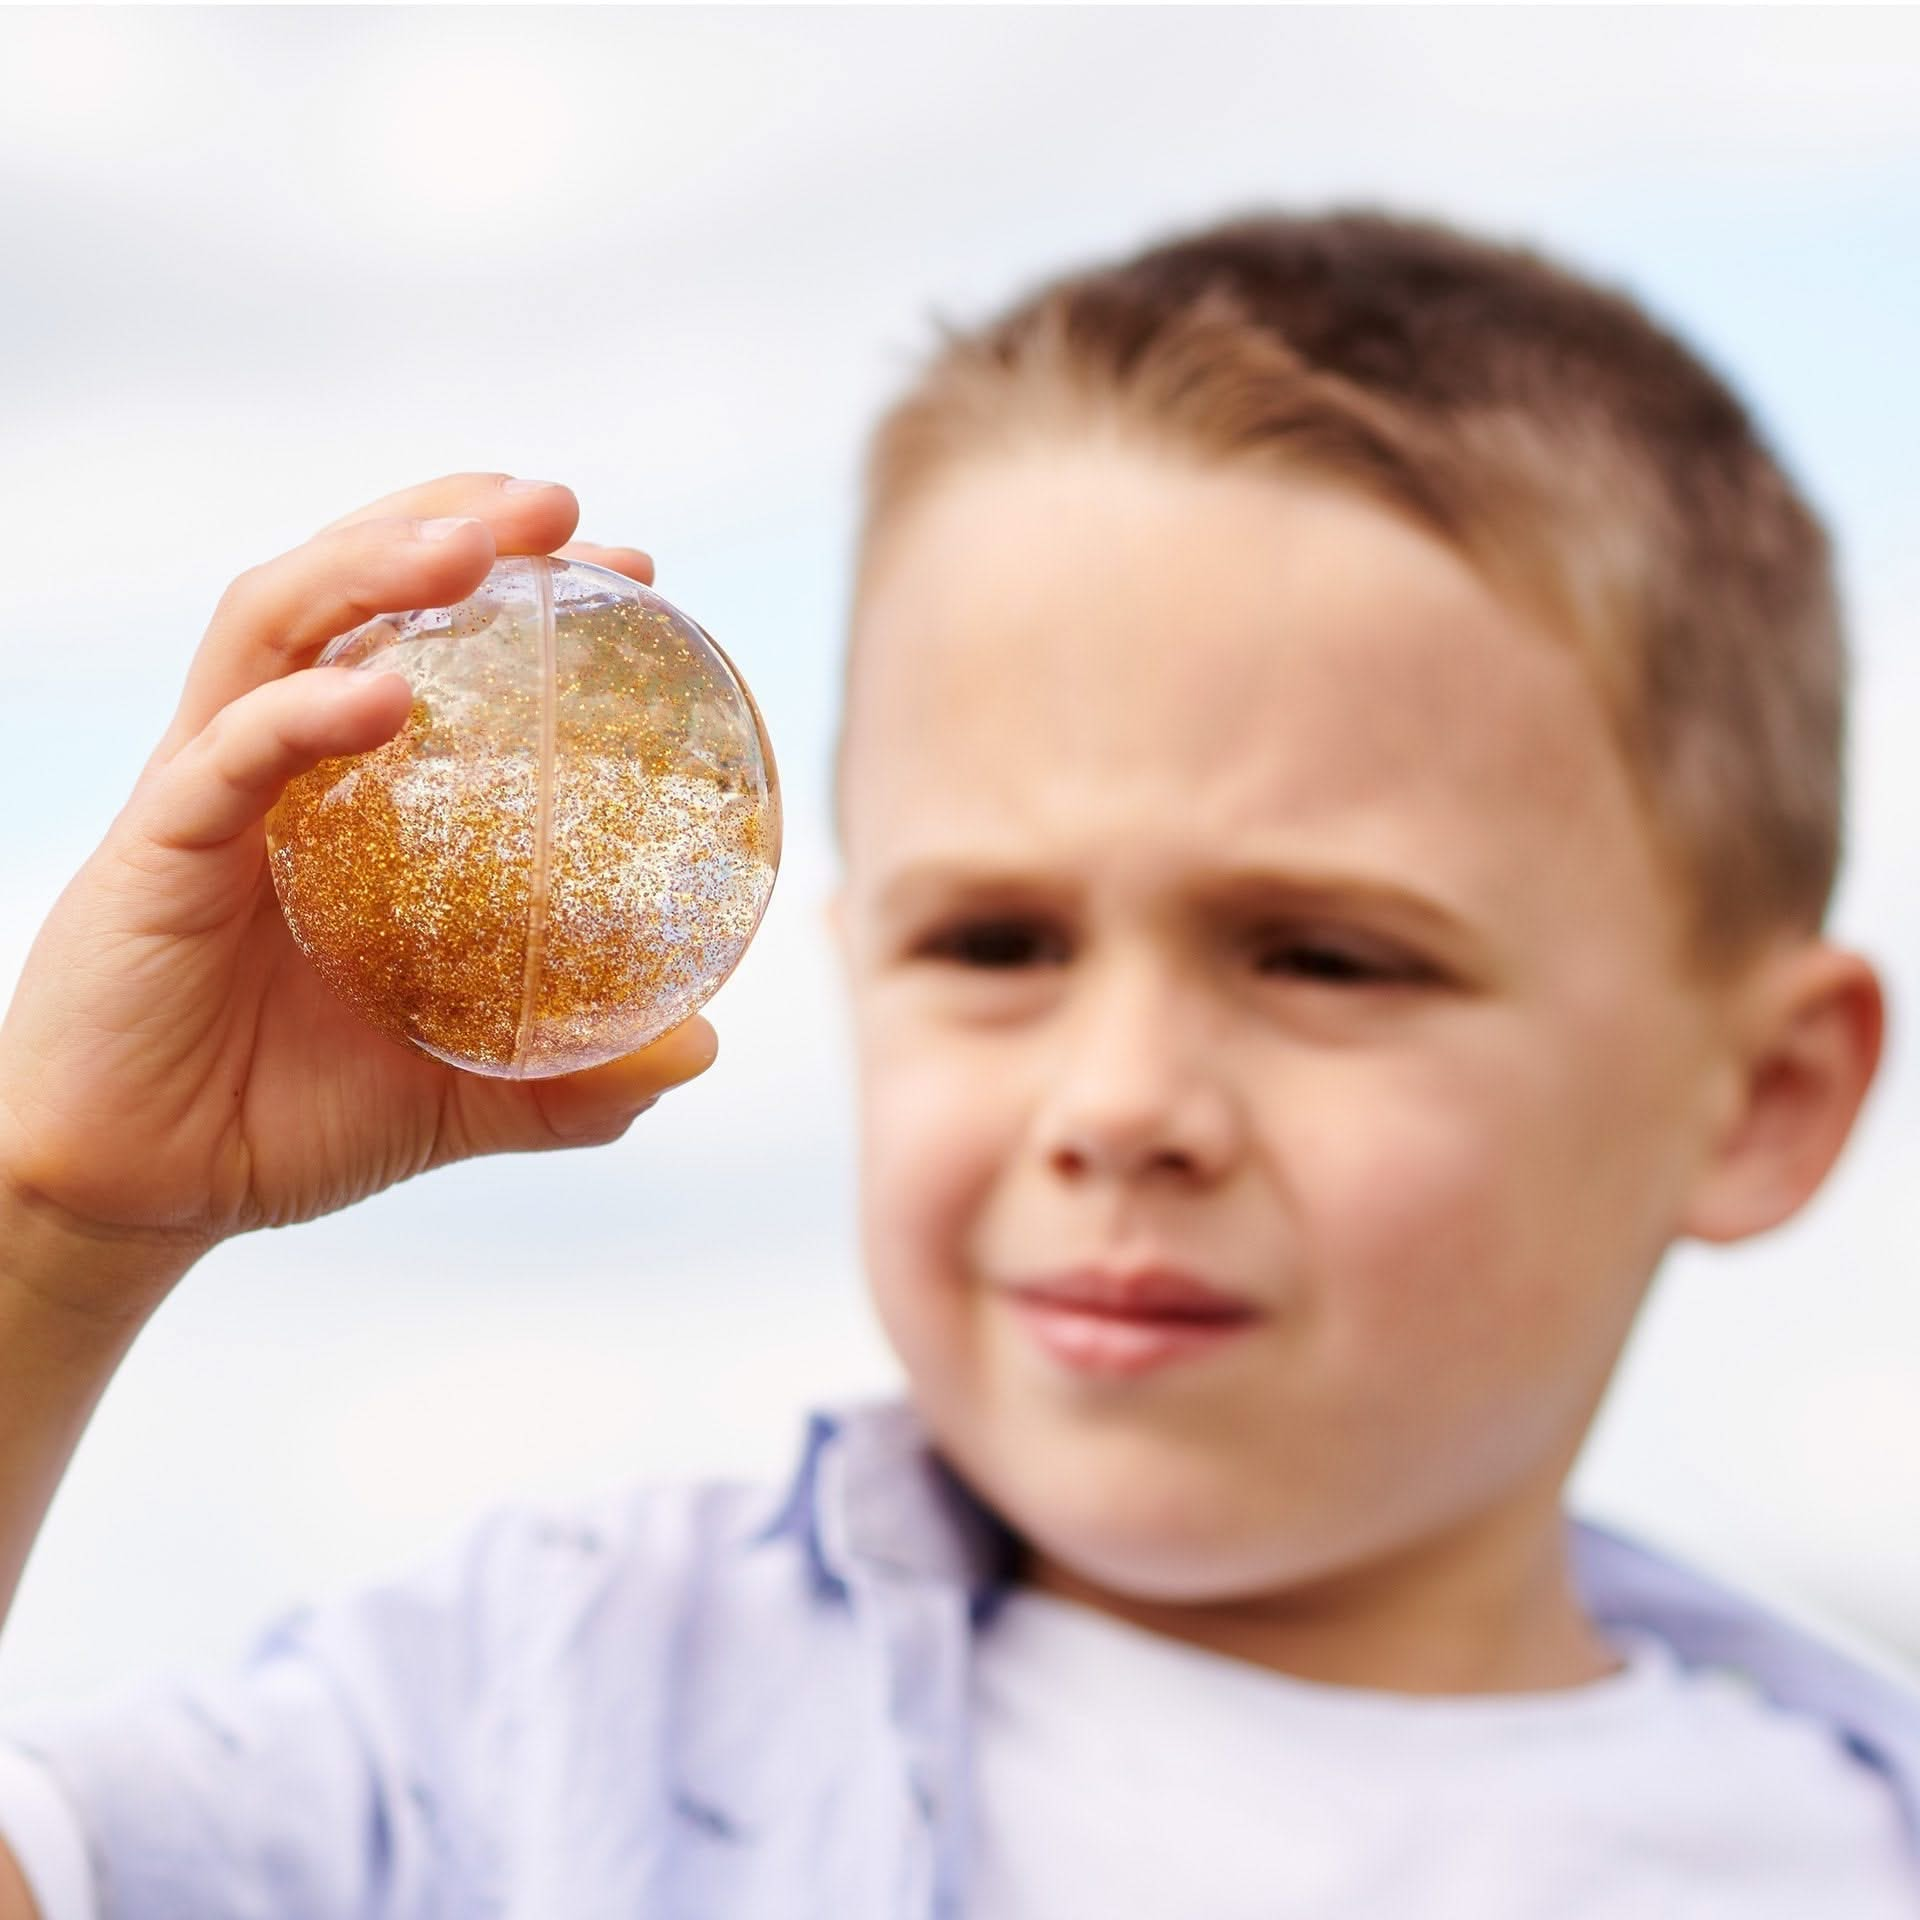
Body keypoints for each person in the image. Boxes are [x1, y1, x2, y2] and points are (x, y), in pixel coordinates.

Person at [0, 206, 1915, 1919]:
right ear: (851, 966)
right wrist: (54, 1235)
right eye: (994, 943)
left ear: (1760, 1099)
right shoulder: (535, 1716)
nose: (1117, 1105)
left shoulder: (1835, 1848)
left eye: (1329, 958)